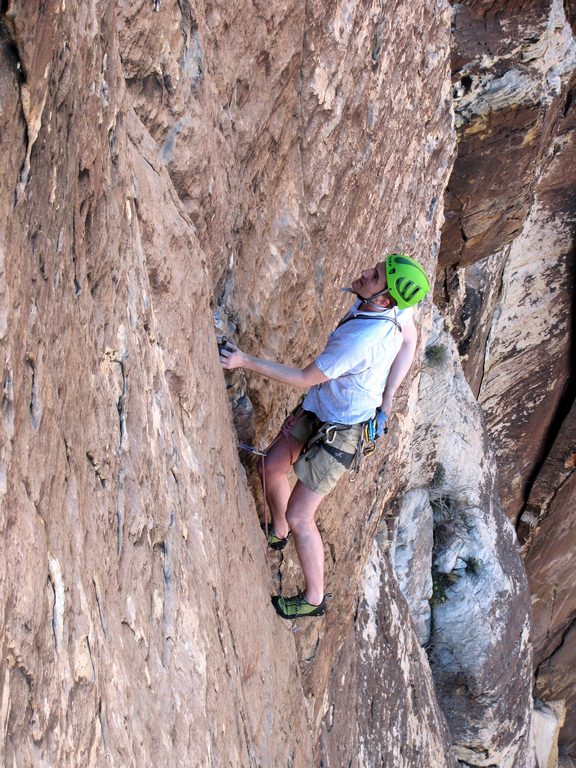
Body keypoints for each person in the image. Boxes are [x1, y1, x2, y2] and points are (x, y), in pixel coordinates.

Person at [219, 253, 430, 619]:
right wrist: (388, 401)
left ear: (383, 299)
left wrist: (244, 361)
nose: (366, 271)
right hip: (324, 408)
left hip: (342, 432)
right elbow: (411, 339)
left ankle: (313, 599)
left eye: (375, 275)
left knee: (303, 515)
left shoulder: (361, 341)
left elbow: (304, 377)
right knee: (271, 466)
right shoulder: (397, 307)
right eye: (375, 267)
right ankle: (278, 531)